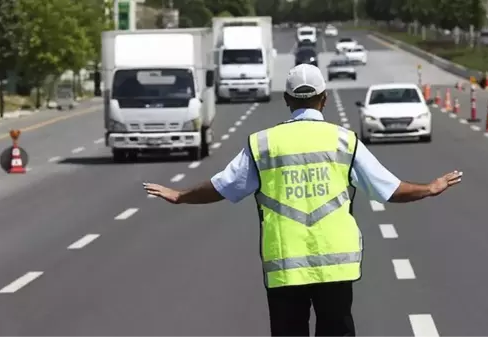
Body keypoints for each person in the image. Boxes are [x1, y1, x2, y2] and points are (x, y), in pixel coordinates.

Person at [143, 64, 463, 337]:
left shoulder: (263, 144)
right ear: (323, 99)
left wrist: (180, 196)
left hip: (285, 264)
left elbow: (223, 186)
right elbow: (389, 189)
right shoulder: (344, 141)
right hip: (336, 265)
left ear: (287, 100)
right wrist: (429, 188)